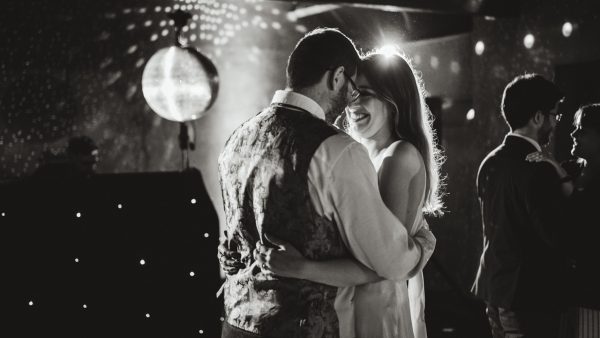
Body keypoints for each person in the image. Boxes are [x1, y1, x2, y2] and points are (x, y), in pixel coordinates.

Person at [217, 28, 435, 338]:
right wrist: (423, 244)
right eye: (351, 87)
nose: (351, 100)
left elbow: (238, 236)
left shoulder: (237, 138)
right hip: (304, 327)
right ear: (336, 77)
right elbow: (392, 260)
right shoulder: (337, 150)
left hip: (237, 322)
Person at [471, 73, 570, 338]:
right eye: (554, 115)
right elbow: (556, 236)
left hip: (494, 289)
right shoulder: (538, 168)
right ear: (537, 117)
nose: (554, 123)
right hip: (529, 298)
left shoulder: (489, 162)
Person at [526, 103, 600, 337]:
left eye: (582, 130)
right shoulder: (571, 168)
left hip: (593, 291)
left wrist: (558, 172)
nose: (573, 134)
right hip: (563, 291)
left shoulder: (564, 170)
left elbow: (583, 220)